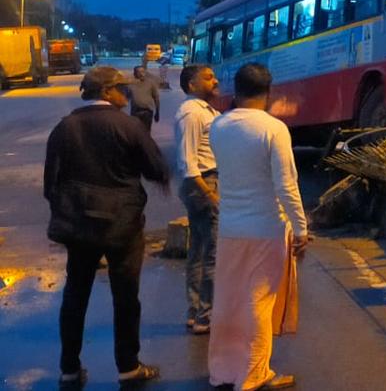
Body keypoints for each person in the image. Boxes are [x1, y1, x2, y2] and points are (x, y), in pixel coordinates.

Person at [44, 66, 169, 388]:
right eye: (121, 89)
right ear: (106, 92)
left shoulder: (64, 128)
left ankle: (69, 369)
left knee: (75, 295)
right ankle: (128, 368)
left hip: (79, 227)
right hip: (123, 227)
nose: (126, 93)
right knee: (125, 297)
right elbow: (156, 169)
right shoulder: (129, 126)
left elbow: (50, 184)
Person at [208, 64, 309, 391]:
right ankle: (254, 373)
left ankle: (224, 369)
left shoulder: (218, 126)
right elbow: (286, 185)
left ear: (236, 90)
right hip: (266, 228)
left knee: (229, 301)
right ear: (268, 92)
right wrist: (301, 227)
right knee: (258, 302)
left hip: (229, 229)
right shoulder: (273, 129)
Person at [174, 64, 221, 335]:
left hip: (205, 182)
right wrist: (210, 193)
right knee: (212, 253)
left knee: (200, 251)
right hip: (204, 182)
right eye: (208, 77)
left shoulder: (204, 110)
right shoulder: (192, 114)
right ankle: (206, 315)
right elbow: (188, 163)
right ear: (192, 85)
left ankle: (195, 312)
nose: (215, 81)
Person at [127, 65, 160, 131]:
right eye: (139, 72)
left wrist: (157, 113)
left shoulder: (151, 83)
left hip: (147, 112)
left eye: (143, 72)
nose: (141, 74)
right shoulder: (130, 85)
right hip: (135, 112)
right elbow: (124, 99)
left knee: (146, 132)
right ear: (134, 74)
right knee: (135, 132)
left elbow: (156, 98)